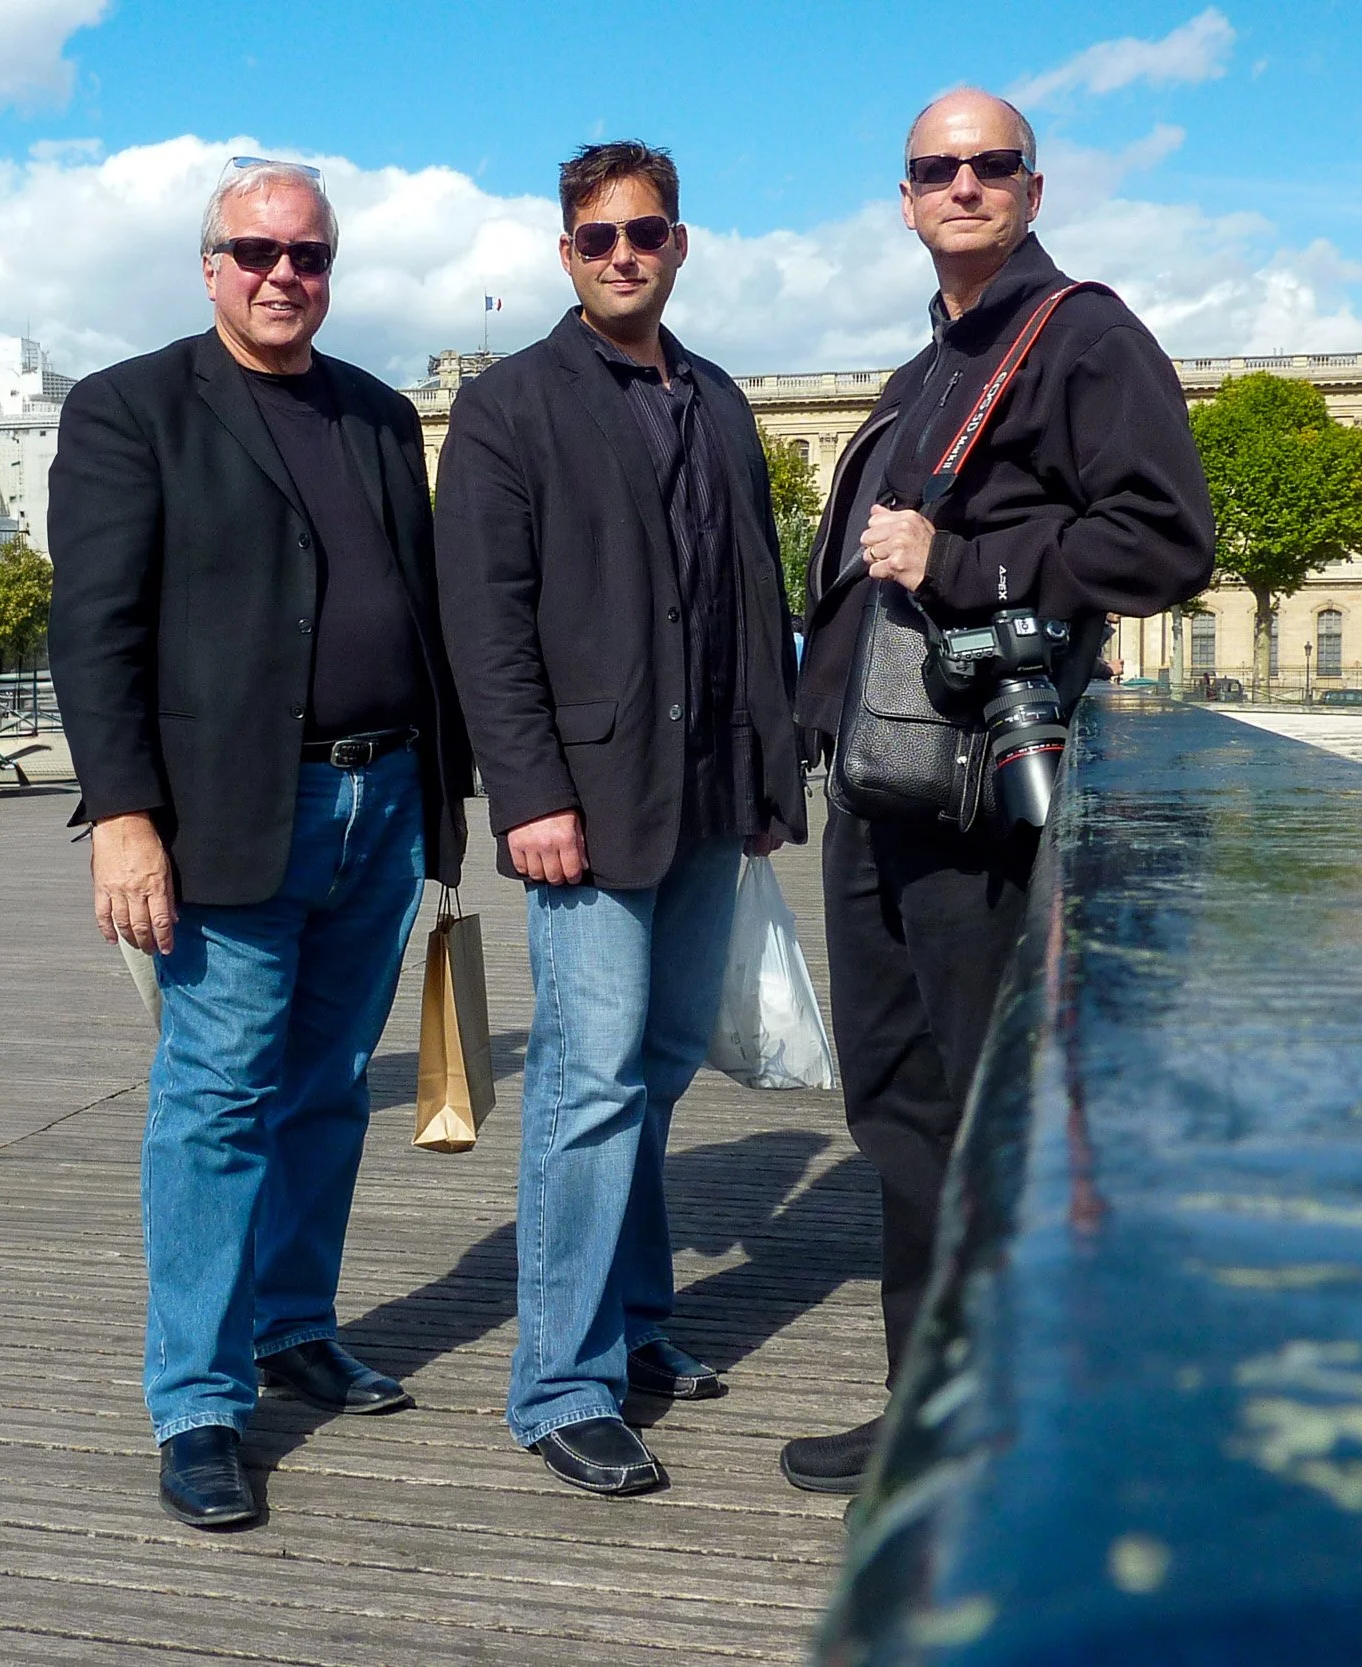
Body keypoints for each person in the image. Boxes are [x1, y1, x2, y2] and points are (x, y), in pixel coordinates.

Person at [781, 90, 1216, 1494]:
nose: (961, 186)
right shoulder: (940, 357)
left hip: (974, 807)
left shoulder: (1081, 333)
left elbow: (1166, 540)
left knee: (978, 1118)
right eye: (934, 169)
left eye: (988, 165)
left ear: (1035, 183)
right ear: (904, 196)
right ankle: (932, 1409)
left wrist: (965, 563)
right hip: (885, 795)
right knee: (902, 1110)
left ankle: (1009, 1429)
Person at [47, 157, 473, 1531]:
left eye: (310, 254)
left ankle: (293, 1319)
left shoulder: (374, 412)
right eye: (257, 251)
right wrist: (122, 816)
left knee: (327, 1088)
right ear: (210, 263)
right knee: (217, 1097)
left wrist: (449, 794)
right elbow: (94, 631)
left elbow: (415, 604)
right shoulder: (130, 410)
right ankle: (201, 1400)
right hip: (232, 810)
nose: (285, 274)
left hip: (384, 801)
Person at [434, 141, 807, 1498]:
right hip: (582, 803)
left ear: (680, 242)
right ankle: (562, 1383)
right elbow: (483, 623)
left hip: (707, 793)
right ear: (566, 252)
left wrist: (772, 774)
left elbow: (751, 599)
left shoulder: (714, 399)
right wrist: (526, 792)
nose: (623, 254)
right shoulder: (511, 408)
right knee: (589, 1092)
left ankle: (638, 1326)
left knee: (654, 1074)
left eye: (644, 232)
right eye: (597, 237)